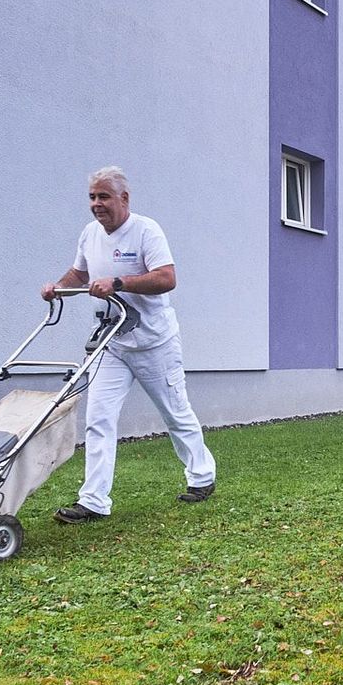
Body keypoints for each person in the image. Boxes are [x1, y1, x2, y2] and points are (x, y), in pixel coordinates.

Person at [42, 166, 216, 522]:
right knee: (99, 418)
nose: (96, 204)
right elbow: (80, 273)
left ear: (124, 198)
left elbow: (167, 278)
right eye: (92, 197)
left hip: (155, 343)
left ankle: (202, 477)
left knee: (175, 412)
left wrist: (118, 283)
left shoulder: (146, 230)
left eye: (103, 196)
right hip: (113, 341)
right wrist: (57, 288)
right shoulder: (90, 234)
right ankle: (93, 501)